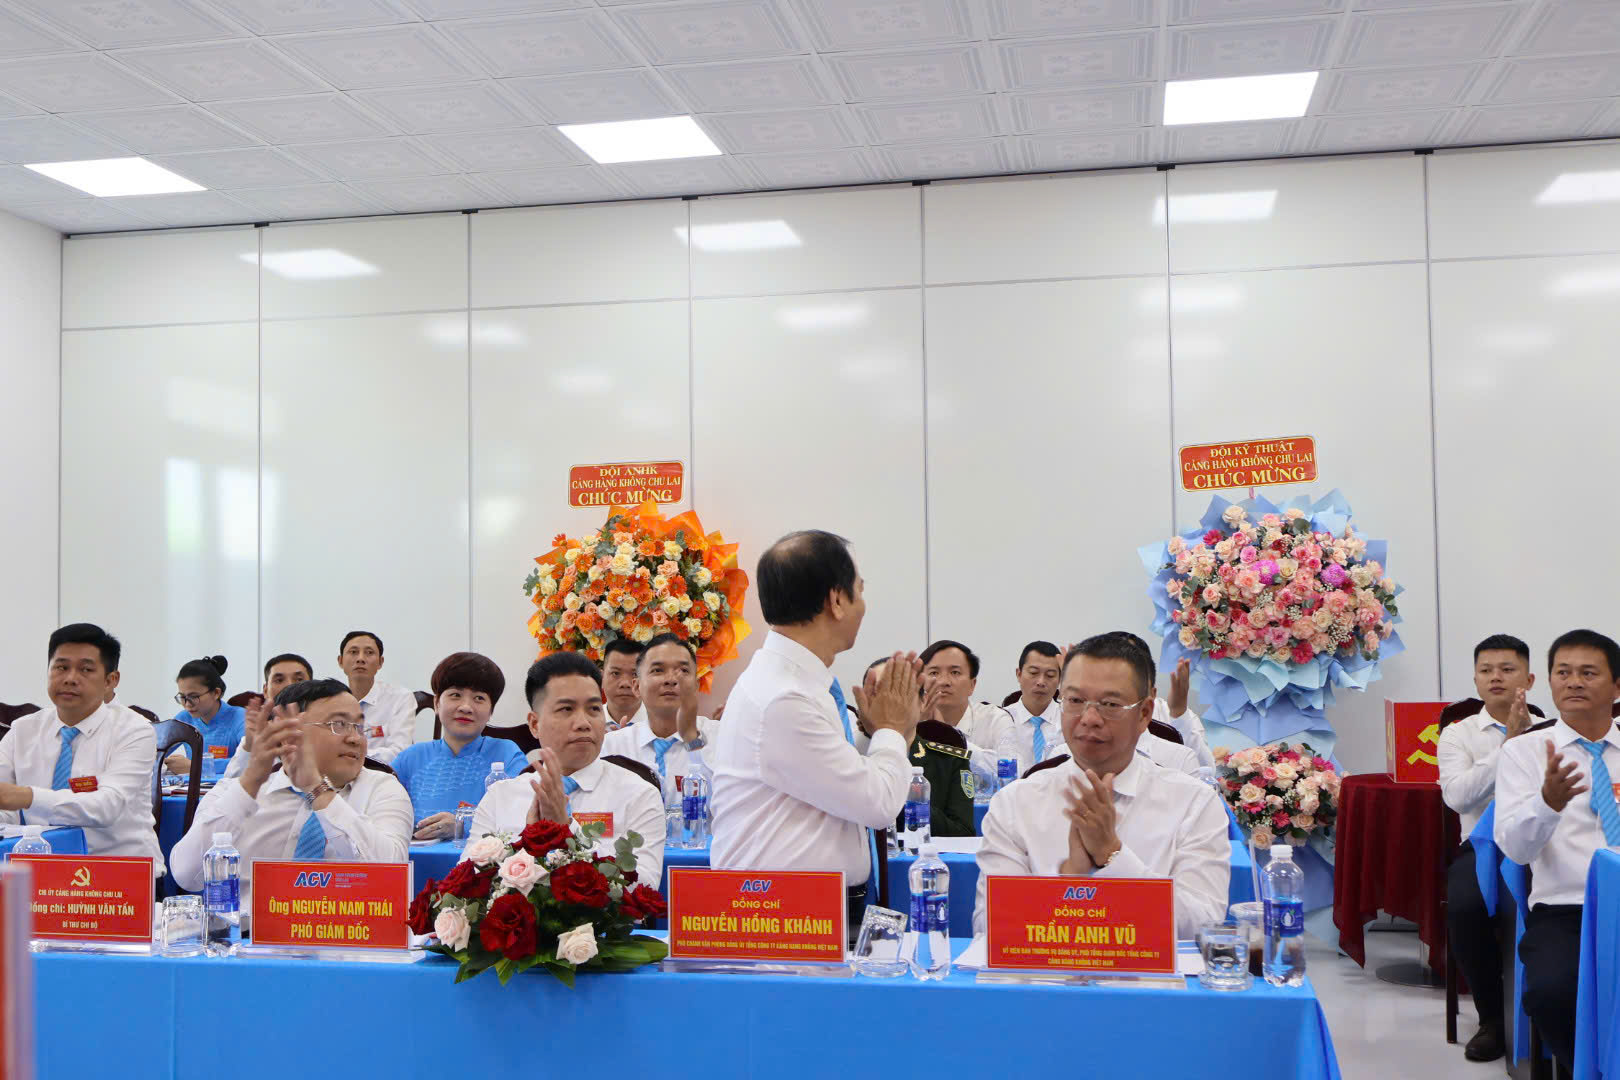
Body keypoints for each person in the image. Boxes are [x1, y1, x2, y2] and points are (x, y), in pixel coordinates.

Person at [710, 530, 920, 935]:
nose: (864, 606)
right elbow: (877, 803)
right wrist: (893, 730)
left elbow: (830, 785)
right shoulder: (784, 697)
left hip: (801, 913)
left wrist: (876, 734)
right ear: (836, 601)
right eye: (860, 591)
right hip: (783, 921)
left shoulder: (795, 682)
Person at [974, 634, 1229, 939]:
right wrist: (1072, 877)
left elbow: (1201, 925)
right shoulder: (1015, 802)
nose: (1090, 718)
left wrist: (1112, 855)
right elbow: (991, 926)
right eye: (1075, 701)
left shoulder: (1193, 803)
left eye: (1109, 704)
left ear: (1144, 713)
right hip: (1046, 971)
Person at [170, 678, 413, 907]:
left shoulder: (383, 789)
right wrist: (249, 784)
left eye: (359, 727)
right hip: (247, 933)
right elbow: (187, 875)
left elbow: (389, 878)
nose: (355, 739)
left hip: (346, 934)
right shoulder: (236, 791)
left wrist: (317, 789)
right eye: (338, 725)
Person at [1495, 629, 1620, 1071]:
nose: (1574, 682)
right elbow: (1515, 849)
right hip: (1567, 910)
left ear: (1617, 686)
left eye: (1588, 673)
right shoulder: (1524, 753)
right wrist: (1547, 804)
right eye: (1563, 673)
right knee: (1552, 992)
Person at [467, 652, 664, 884]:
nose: (583, 723)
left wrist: (566, 831)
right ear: (534, 724)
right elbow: (466, 884)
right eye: (566, 709)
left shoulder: (639, 795)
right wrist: (527, 849)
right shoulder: (500, 797)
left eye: (594, 709)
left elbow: (644, 887)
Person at [1439, 633, 1537, 1062]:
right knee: (1465, 908)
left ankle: (1546, 1014)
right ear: (1476, 679)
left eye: (1507, 669)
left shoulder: (1553, 728)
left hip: (1539, 846)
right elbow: (1458, 797)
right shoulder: (1457, 734)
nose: (1496, 677)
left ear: (1528, 680)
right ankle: (1492, 1019)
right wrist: (1509, 745)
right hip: (1482, 848)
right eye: (1486, 670)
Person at [0, 624, 166, 875]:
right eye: (61, 667)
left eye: (86, 669)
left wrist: (27, 796)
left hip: (120, 873)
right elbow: (6, 807)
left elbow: (107, 806)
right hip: (45, 872)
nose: (70, 678)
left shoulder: (134, 731)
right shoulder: (23, 730)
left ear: (110, 681)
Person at [391, 653, 528, 841]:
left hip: (485, 859)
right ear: (436, 703)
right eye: (455, 695)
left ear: (491, 711)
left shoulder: (507, 754)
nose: (466, 707)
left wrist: (462, 825)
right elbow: (382, 812)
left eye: (479, 698)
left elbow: (520, 814)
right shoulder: (409, 758)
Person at [601, 634, 716, 802]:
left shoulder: (722, 739)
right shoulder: (611, 748)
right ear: (636, 686)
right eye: (658, 670)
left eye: (683, 671)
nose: (671, 679)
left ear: (696, 685)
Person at [918, 639, 1015, 778]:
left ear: (972, 685)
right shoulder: (906, 721)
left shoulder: (995, 719)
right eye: (934, 673)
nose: (944, 681)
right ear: (920, 682)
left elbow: (1011, 772)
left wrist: (950, 738)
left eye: (955, 672)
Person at [224, 653, 313, 781]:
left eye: (299, 679)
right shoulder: (258, 734)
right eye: (279, 680)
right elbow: (230, 784)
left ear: (312, 686)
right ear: (265, 690)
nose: (289, 685)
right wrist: (249, 745)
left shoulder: (324, 729)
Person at [337, 630, 415, 764]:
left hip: (382, 774)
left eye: (369, 653)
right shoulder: (331, 701)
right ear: (340, 661)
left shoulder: (401, 698)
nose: (360, 659)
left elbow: (400, 752)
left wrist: (349, 754)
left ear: (380, 662)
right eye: (353, 652)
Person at [164, 655, 247, 778]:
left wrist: (195, 766)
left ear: (216, 693)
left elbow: (250, 762)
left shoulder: (240, 718)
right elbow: (155, 750)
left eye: (194, 696)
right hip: (191, 787)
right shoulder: (184, 719)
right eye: (182, 697)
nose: (187, 704)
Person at [1007, 641, 1064, 766]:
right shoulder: (1002, 719)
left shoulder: (1069, 720)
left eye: (1050, 675)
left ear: (1060, 679)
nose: (1041, 682)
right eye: (1033, 673)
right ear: (1019, 674)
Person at [600, 639, 645, 731]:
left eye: (635, 674)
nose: (625, 683)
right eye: (615, 673)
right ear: (602, 678)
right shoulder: (586, 723)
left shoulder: (664, 724)